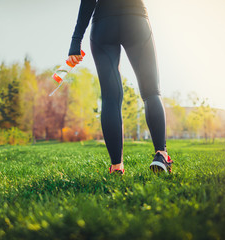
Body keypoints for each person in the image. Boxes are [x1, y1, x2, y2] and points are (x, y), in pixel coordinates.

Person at [67, 0, 173, 174]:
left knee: (110, 97)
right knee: (151, 91)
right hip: (135, 18)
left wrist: (76, 40)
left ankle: (116, 166)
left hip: (103, 23)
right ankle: (161, 155)